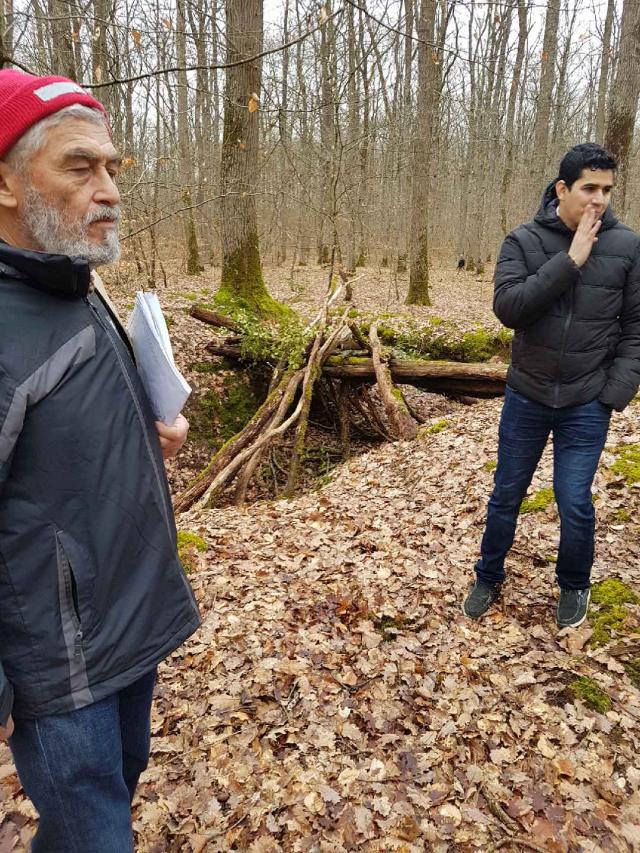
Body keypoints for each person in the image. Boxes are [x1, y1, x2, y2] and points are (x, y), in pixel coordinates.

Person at [0, 70, 201, 851]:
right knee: (96, 831)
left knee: (116, 787)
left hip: (128, 620)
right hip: (60, 667)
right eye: (79, 168)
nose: (109, 189)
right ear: (8, 185)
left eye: (112, 167)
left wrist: (151, 434)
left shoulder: (74, 280)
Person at [463, 143, 640, 629]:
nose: (599, 199)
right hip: (528, 394)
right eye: (589, 188)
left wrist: (615, 392)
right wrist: (572, 259)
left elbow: (636, 329)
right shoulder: (523, 240)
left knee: (574, 499)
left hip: (588, 400)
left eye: (606, 189)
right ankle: (488, 574)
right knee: (506, 493)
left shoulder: (627, 245)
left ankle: (575, 583)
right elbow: (510, 309)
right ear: (563, 189)